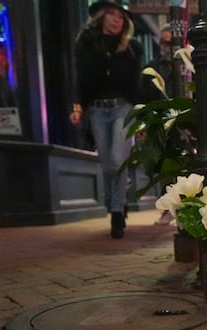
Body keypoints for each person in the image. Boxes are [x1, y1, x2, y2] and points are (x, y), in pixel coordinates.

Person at [70, 0, 143, 239]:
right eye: (111, 14)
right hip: (97, 110)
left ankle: (116, 213)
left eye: (120, 16)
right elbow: (81, 77)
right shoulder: (86, 43)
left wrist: (141, 115)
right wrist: (78, 105)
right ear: (102, 16)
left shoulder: (132, 47)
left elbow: (136, 85)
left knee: (116, 159)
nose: (116, 20)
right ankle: (119, 202)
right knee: (106, 165)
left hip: (123, 108)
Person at [143, 25, 177, 226]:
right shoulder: (153, 67)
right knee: (164, 165)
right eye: (164, 42)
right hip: (161, 122)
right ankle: (167, 208)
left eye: (171, 42)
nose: (167, 46)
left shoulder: (187, 65)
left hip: (183, 119)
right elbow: (147, 98)